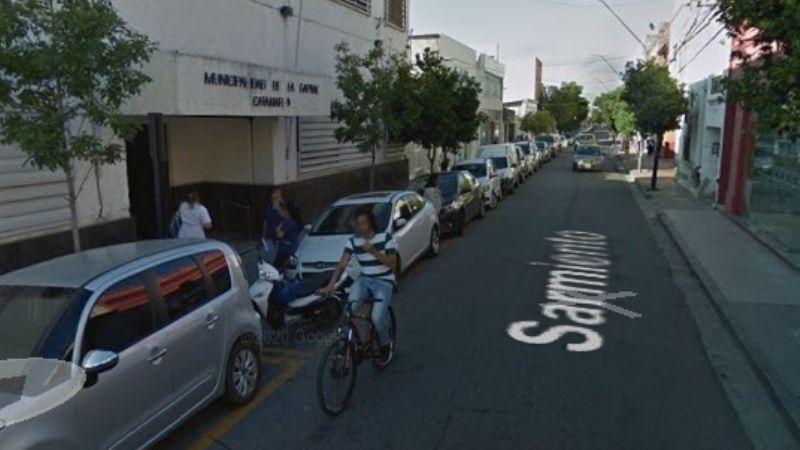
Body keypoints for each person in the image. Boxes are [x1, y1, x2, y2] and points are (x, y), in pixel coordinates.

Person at [318, 207, 398, 362]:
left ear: (371, 224)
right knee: (348, 312)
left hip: (384, 281)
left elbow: (392, 264)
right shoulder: (353, 241)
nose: (360, 227)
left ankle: (385, 344)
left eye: (363, 223)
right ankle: (349, 345)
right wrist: (331, 285)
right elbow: (342, 264)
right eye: (358, 223)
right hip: (364, 280)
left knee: (376, 318)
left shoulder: (385, 238)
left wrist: (374, 251)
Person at [262, 188, 300, 268]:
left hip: (286, 249)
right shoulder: (287, 221)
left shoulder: (289, 222)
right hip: (282, 246)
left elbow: (280, 234)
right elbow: (266, 220)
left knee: (278, 266)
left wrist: (279, 228)